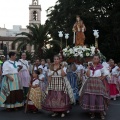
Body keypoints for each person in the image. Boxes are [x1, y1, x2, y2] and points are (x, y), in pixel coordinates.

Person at [80, 54, 109, 119]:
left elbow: (106, 72)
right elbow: (87, 75)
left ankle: (101, 113)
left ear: (99, 60)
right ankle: (92, 113)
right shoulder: (90, 66)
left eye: (97, 59)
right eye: (94, 58)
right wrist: (88, 68)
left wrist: (102, 77)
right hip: (90, 82)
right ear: (92, 59)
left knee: (100, 96)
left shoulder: (101, 66)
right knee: (91, 97)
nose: (95, 60)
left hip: (98, 83)